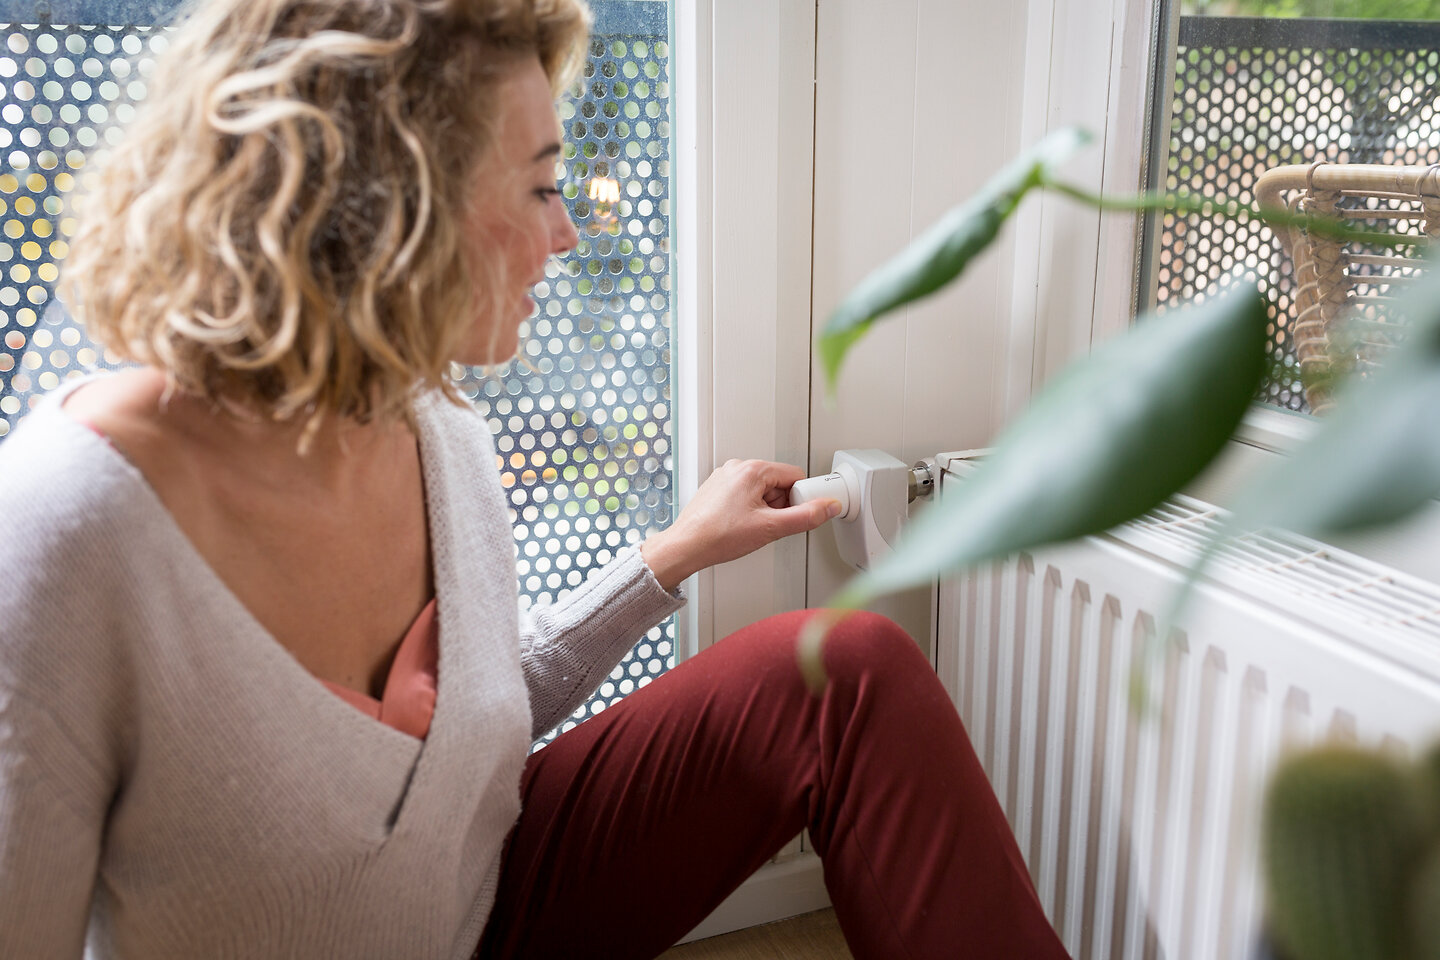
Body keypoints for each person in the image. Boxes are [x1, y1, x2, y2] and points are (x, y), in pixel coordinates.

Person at [0, 0, 1072, 957]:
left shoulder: (435, 422)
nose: (566, 234)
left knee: (846, 666)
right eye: (543, 186)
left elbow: (473, 717)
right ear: (385, 208)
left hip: (486, 908)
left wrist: (676, 554)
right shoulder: (70, 527)